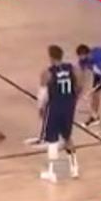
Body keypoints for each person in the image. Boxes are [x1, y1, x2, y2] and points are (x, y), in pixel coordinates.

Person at [38, 45, 80, 182]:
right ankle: (74, 168)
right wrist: (74, 99)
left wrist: (41, 107)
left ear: (50, 57)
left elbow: (42, 93)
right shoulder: (72, 68)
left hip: (55, 107)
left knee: (52, 140)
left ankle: (52, 172)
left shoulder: (47, 73)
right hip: (69, 106)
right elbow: (78, 86)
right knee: (67, 137)